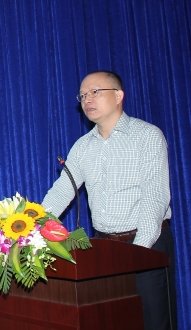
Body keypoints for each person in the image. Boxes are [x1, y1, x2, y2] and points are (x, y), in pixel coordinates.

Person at [42, 71, 175, 329]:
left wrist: (137, 253)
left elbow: (155, 198)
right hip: (104, 250)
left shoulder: (147, 136)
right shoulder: (82, 146)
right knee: (112, 320)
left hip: (147, 245)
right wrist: (29, 231)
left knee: (153, 322)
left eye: (95, 92)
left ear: (118, 96)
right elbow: (61, 193)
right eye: (82, 96)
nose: (87, 100)